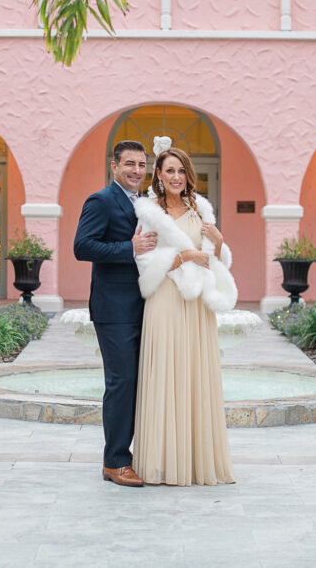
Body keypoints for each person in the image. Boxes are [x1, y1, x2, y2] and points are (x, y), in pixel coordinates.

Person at [131, 138, 237, 486]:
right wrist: (182, 257)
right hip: (164, 299)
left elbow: (215, 262)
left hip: (196, 306)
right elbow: (144, 260)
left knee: (194, 375)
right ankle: (162, 461)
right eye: (169, 170)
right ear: (158, 175)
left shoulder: (201, 213)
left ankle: (195, 461)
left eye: (181, 171)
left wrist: (219, 241)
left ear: (188, 176)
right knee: (164, 373)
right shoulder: (148, 214)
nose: (176, 176)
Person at [73, 140, 157, 487]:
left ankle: (140, 454)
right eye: (130, 164)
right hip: (115, 309)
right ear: (114, 166)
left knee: (142, 383)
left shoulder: (147, 203)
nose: (137, 171)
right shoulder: (101, 201)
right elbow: (82, 246)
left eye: (141, 164)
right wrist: (129, 248)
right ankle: (115, 461)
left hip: (147, 305)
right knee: (121, 383)